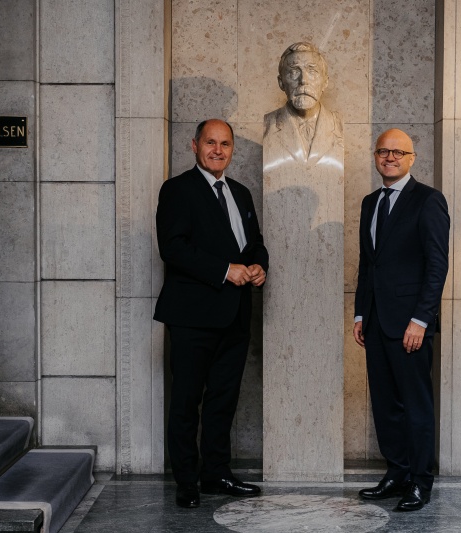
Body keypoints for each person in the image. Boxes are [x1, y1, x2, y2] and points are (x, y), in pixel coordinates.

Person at [154, 119, 269, 509]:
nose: (217, 150)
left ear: (233, 149)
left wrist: (257, 266)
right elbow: (173, 247)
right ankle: (187, 481)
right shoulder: (177, 190)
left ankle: (216, 472)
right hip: (192, 317)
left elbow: (254, 244)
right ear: (195, 146)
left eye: (225, 144)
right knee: (187, 401)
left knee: (224, 399)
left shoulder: (241, 192)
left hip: (236, 315)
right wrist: (225, 270)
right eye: (210, 143)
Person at [353, 128, 450, 512]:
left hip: (410, 325)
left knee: (415, 404)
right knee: (385, 404)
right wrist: (361, 312)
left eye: (398, 152)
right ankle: (396, 472)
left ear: (412, 158)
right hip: (376, 323)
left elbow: (436, 265)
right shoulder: (369, 203)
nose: (389, 157)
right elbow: (368, 264)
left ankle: (420, 482)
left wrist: (421, 320)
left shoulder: (428, 201)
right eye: (383, 151)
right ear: (375, 156)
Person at [263, 42, 343, 166]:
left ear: (325, 82)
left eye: (312, 71)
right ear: (281, 82)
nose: (303, 80)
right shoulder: (269, 125)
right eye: (294, 72)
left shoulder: (338, 125)